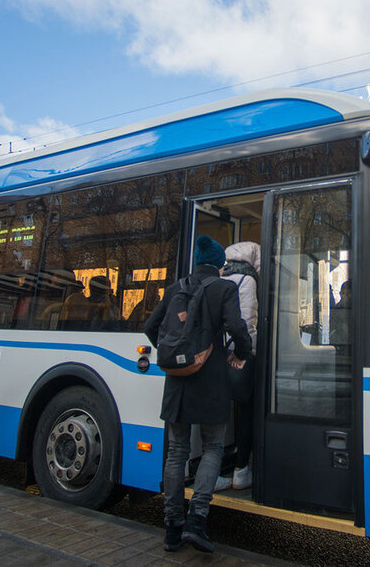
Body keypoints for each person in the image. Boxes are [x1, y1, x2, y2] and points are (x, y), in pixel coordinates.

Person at [145, 235, 252, 554]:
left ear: (195, 262)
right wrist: (242, 353)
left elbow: (151, 326)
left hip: (177, 383)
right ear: (220, 264)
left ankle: (172, 528)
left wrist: (176, 356)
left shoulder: (176, 288)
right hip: (211, 380)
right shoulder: (224, 287)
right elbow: (236, 326)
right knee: (213, 446)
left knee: (177, 451)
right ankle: (197, 521)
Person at [219, 240, 259, 491]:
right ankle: (241, 468)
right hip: (240, 353)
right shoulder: (249, 281)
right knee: (246, 409)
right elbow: (246, 323)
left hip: (217, 352)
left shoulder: (220, 278)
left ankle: (215, 466)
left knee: (220, 409)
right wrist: (248, 352)